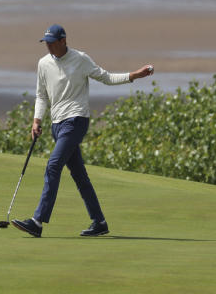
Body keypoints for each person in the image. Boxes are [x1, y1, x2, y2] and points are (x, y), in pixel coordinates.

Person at [11, 24, 154, 238]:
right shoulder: (43, 64)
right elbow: (41, 95)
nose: (48, 46)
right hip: (57, 124)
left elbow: (106, 77)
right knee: (79, 176)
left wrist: (134, 75)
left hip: (76, 120)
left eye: (52, 42)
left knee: (53, 166)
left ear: (63, 41)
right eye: (46, 43)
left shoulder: (80, 59)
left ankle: (37, 222)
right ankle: (99, 222)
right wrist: (36, 120)